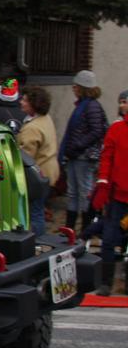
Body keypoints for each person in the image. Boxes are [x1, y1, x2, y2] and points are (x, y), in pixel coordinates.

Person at [58, 70, 107, 234]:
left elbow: (96, 131)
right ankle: (69, 229)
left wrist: (77, 145)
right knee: (72, 193)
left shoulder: (91, 106)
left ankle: (85, 231)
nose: (73, 87)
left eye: (76, 85)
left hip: (84, 157)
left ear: (82, 87)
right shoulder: (83, 105)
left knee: (84, 193)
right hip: (75, 156)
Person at [90, 89, 128, 295]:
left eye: (125, 102)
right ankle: (106, 282)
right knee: (109, 239)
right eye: (120, 102)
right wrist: (103, 183)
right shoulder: (116, 129)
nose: (121, 105)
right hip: (117, 197)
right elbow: (107, 157)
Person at [17, 86, 59, 237]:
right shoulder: (45, 119)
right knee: (39, 210)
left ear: (33, 104)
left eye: (24, 100)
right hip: (50, 171)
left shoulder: (32, 128)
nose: (21, 102)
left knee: (35, 213)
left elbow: (26, 156)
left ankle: (37, 241)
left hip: (38, 175)